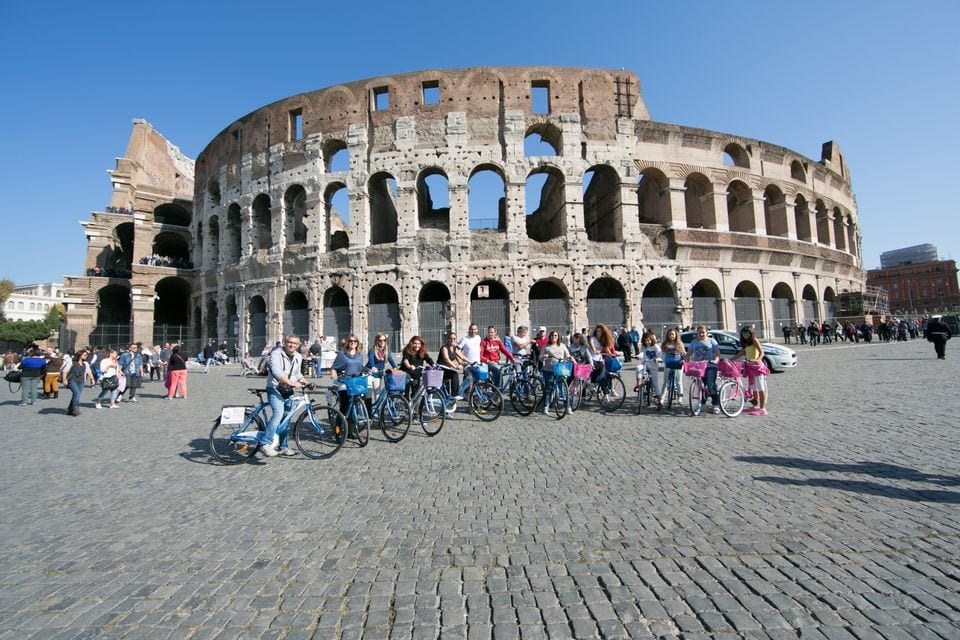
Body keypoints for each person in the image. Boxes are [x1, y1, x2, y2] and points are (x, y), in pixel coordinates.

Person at [259, 335, 306, 457]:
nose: (292, 345)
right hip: (275, 388)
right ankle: (265, 443)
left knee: (287, 418)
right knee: (278, 413)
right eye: (290, 342)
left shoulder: (298, 356)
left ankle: (283, 446)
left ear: (298, 345)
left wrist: (306, 381)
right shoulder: (276, 353)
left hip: (287, 390)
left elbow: (297, 373)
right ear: (285, 343)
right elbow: (276, 370)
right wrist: (290, 382)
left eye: (295, 343)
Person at [734, 325, 768, 415]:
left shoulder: (754, 340)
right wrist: (732, 359)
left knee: (761, 387)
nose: (746, 335)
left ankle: (763, 409)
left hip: (757, 367)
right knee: (754, 388)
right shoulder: (745, 342)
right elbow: (742, 352)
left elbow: (762, 352)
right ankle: (755, 406)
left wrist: (757, 360)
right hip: (750, 367)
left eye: (747, 333)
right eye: (744, 333)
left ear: (751, 333)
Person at [687, 325, 721, 414]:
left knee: (710, 385)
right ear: (697, 333)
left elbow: (717, 353)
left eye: (703, 332)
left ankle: (715, 405)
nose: (701, 334)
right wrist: (685, 360)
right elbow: (689, 353)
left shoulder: (712, 341)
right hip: (699, 366)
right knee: (700, 385)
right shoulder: (693, 342)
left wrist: (715, 360)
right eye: (699, 333)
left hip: (710, 366)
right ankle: (702, 403)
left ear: (706, 332)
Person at [331, 335, 366, 414]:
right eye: (351, 341)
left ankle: (352, 425)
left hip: (356, 381)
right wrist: (334, 374)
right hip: (345, 381)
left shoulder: (359, 355)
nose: (353, 343)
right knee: (344, 407)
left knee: (355, 404)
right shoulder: (342, 354)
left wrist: (368, 370)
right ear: (348, 342)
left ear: (357, 343)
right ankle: (338, 426)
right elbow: (334, 367)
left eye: (355, 341)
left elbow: (361, 368)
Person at [539, 330, 571, 414]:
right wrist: (544, 356)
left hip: (560, 369)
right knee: (549, 388)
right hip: (549, 370)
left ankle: (567, 406)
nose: (554, 337)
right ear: (550, 336)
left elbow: (567, 355)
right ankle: (546, 406)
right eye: (552, 335)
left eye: (556, 335)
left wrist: (570, 359)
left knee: (563, 388)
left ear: (558, 337)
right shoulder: (546, 346)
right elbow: (540, 357)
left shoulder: (562, 346)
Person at [438, 331, 471, 399]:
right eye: (451, 338)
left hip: (447, 369)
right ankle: (455, 394)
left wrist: (471, 362)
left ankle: (446, 404)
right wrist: (455, 366)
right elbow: (446, 359)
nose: (452, 340)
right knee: (454, 374)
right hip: (440, 369)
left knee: (446, 389)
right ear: (448, 339)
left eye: (454, 338)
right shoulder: (444, 348)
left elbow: (461, 357)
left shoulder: (454, 348)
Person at [62, 348, 94, 416]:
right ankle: (75, 409)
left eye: (86, 355)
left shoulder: (85, 363)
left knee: (76, 395)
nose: (86, 356)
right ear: (80, 355)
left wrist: (92, 379)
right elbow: (65, 371)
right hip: (72, 380)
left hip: (82, 381)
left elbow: (88, 371)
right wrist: (64, 379)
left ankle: (70, 409)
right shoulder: (72, 362)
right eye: (85, 355)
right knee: (77, 394)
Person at [635, 332, 663, 409]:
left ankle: (659, 401)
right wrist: (638, 356)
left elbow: (660, 356)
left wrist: (657, 359)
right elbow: (642, 354)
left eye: (648, 340)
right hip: (645, 365)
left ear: (651, 340)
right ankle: (638, 384)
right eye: (645, 341)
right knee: (638, 368)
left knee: (655, 384)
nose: (647, 342)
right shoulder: (643, 347)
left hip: (654, 367)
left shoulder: (656, 347)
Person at [587, 324, 618, 392]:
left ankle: (596, 385)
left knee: (601, 369)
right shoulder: (592, 338)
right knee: (594, 368)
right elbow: (592, 345)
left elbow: (606, 348)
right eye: (597, 331)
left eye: (600, 331)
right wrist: (594, 350)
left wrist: (611, 355)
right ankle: (591, 384)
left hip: (598, 357)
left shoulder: (603, 340)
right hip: (590, 356)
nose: (598, 333)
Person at [660, 327, 686, 402]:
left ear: (676, 335)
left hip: (678, 362)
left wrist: (685, 358)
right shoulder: (665, 344)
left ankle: (680, 396)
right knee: (666, 381)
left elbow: (683, 353)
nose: (671, 336)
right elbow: (662, 353)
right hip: (668, 363)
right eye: (670, 334)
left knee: (679, 381)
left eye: (672, 334)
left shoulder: (679, 344)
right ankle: (662, 398)